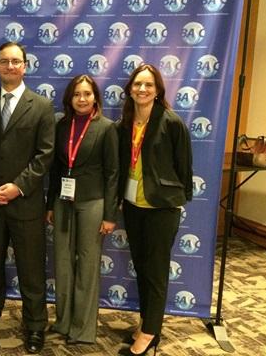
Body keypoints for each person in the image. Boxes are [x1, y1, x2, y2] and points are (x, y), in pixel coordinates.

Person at [0, 41, 55, 354]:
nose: (10, 66)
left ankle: (34, 325)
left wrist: (17, 187)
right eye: (4, 61)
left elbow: (45, 156)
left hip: (25, 202)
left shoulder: (42, 106)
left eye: (16, 61)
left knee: (31, 269)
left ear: (26, 65)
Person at [117, 64, 193, 356]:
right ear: (130, 89)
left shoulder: (171, 122)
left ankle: (149, 334)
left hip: (162, 208)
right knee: (143, 267)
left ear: (158, 90)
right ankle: (148, 323)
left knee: (157, 272)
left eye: (148, 85)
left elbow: (184, 167)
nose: (142, 90)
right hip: (134, 206)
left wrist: (177, 198)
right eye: (137, 84)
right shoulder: (126, 123)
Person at [45, 74, 120, 344]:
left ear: (95, 97)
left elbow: (113, 174)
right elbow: (55, 168)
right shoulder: (59, 124)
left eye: (87, 94)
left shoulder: (107, 127)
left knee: (87, 265)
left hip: (92, 202)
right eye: (77, 94)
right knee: (62, 264)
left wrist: (110, 215)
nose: (82, 99)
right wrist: (50, 204)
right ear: (70, 98)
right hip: (62, 202)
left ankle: (82, 329)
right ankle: (63, 322)